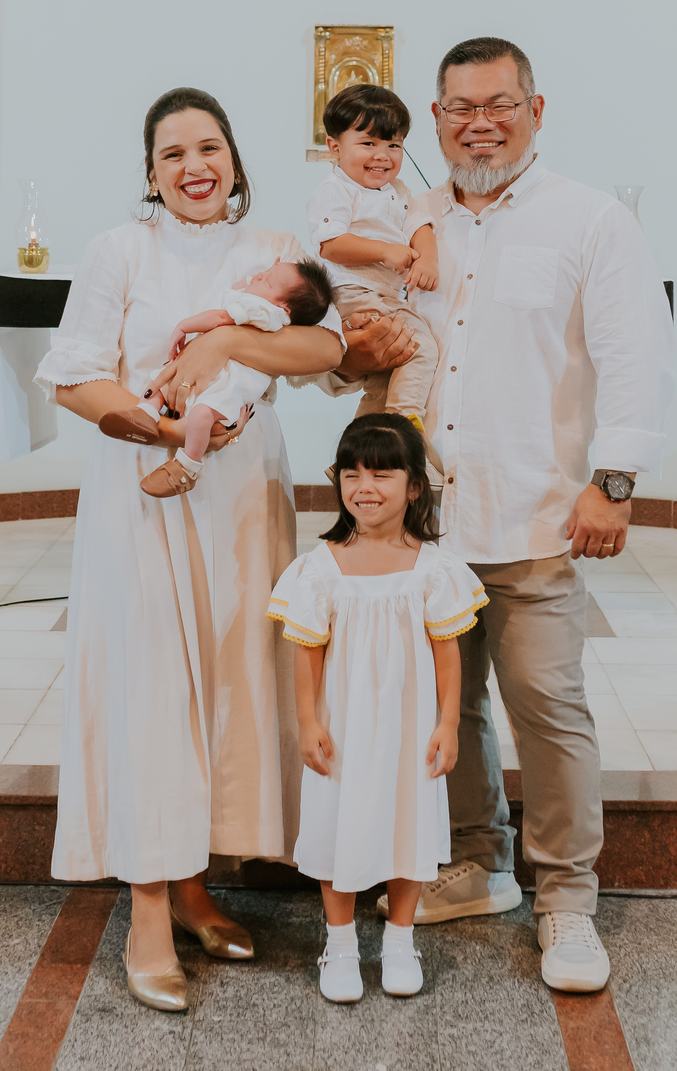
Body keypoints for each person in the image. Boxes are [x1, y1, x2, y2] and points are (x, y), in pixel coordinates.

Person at [325, 37, 674, 993]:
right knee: (449, 702)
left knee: (548, 708)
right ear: (434, 118)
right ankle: (476, 861)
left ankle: (567, 898)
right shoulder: (412, 220)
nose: (480, 121)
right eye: (460, 107)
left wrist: (615, 480)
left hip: (534, 513)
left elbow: (635, 355)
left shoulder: (588, 221)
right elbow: (361, 340)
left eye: (500, 103)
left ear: (536, 108)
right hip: (425, 526)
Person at [34, 87, 344, 1014]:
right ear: (151, 172)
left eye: (208, 148)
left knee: (231, 686)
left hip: (245, 503)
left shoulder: (275, 249)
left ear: (236, 161)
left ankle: (199, 884)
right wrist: (154, 433)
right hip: (144, 501)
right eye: (172, 155)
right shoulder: (117, 250)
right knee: (153, 695)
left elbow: (326, 349)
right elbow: (71, 375)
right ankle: (150, 915)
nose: (193, 167)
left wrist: (228, 348)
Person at [268, 415, 486, 1003]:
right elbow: (305, 654)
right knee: (337, 821)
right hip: (343, 725)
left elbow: (447, 655)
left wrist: (446, 722)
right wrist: (308, 721)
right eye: (352, 473)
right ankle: (339, 943)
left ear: (415, 486)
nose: (364, 485)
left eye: (382, 473)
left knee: (407, 822)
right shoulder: (320, 568)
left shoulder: (433, 569)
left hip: (408, 726)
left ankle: (399, 939)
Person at [129, 256, 336, 498]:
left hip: (227, 382)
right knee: (169, 387)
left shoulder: (263, 311)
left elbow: (219, 317)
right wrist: (271, 274)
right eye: (264, 272)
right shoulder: (267, 306)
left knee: (195, 410)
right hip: (215, 374)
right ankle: (144, 417)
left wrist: (184, 326)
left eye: (267, 281)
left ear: (284, 308)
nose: (258, 275)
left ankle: (187, 465)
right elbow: (244, 285)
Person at [307, 83, 440, 449]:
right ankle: (404, 424)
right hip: (353, 294)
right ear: (335, 147)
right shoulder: (335, 190)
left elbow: (419, 225)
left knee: (386, 374)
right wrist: (385, 251)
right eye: (369, 143)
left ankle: (364, 452)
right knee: (419, 346)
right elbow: (332, 245)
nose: (383, 155)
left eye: (393, 145)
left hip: (384, 295)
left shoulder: (398, 189)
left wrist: (427, 258)